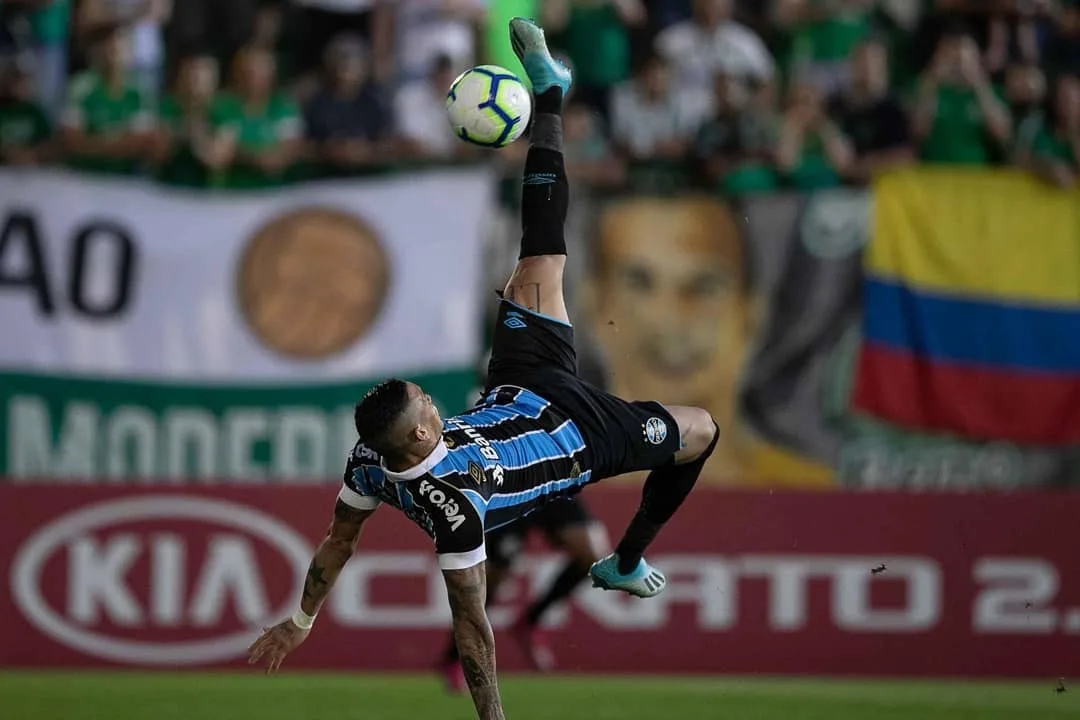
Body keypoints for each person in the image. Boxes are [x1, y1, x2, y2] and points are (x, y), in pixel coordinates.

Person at [248, 18, 718, 720]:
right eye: (426, 411)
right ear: (417, 439)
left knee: (541, 247)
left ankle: (549, 93)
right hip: (581, 438)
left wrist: (303, 617)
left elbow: (337, 541)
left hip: (522, 385)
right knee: (702, 431)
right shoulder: (456, 512)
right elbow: (472, 628)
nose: (435, 406)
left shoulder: (368, 462)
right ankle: (624, 561)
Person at [438, 494, 608, 690]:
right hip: (513, 485)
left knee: (592, 558)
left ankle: (530, 620)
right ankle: (455, 657)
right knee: (491, 579)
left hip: (552, 478)